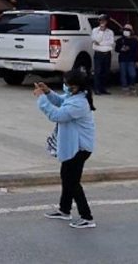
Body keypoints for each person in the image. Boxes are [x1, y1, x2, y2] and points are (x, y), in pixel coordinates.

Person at [34, 70, 96, 229]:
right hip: (73, 146)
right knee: (66, 176)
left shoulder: (79, 103)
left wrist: (41, 98)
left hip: (80, 148)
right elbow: (61, 101)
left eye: (67, 85)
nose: (65, 87)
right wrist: (48, 92)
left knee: (73, 182)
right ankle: (64, 209)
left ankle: (87, 217)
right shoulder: (74, 96)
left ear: (76, 86)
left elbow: (57, 115)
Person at [90, 14, 115, 95]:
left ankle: (103, 88)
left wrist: (100, 43)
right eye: (101, 20)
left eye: (104, 20)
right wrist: (101, 31)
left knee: (106, 72)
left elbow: (111, 42)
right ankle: (96, 89)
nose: (102, 22)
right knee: (98, 71)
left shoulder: (110, 32)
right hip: (98, 53)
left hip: (107, 53)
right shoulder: (95, 30)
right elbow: (95, 40)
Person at [115, 24, 138, 94]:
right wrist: (121, 49)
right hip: (122, 59)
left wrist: (137, 60)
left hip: (131, 59)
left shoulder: (134, 40)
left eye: (128, 30)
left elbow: (137, 51)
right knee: (123, 74)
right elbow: (116, 49)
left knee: (132, 74)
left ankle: (132, 85)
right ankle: (125, 87)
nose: (126, 31)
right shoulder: (120, 40)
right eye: (125, 30)